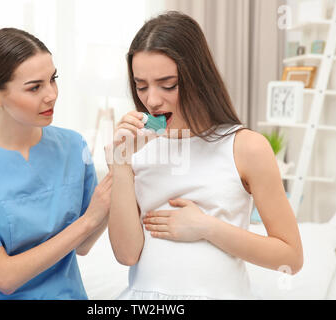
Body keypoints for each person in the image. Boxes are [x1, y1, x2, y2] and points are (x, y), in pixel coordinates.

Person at [107, 11, 303, 299]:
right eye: (141, 86)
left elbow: (290, 257)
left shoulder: (246, 147)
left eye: (168, 84)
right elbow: (126, 255)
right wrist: (120, 165)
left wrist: (206, 227)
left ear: (197, 77)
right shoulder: (139, 148)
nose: (152, 100)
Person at [0, 28, 111, 299]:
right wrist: (89, 221)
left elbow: (84, 245)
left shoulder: (74, 147)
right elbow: (3, 278)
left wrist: (122, 175)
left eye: (53, 79)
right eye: (35, 87)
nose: (51, 94)